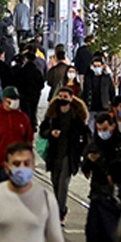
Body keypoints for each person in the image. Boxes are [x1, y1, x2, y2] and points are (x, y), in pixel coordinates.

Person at [39, 88, 89, 222]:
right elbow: (42, 131)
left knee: (63, 184)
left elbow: (84, 135)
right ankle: (61, 208)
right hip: (54, 153)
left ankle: (58, 212)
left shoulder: (77, 115)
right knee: (55, 181)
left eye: (65, 96)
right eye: (60, 96)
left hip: (70, 153)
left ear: (71, 98)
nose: (62, 99)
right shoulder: (52, 114)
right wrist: (51, 133)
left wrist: (84, 152)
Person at [0, 87, 34, 185]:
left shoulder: (23, 118)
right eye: (12, 99)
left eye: (16, 99)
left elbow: (28, 139)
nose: (15, 101)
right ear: (5, 100)